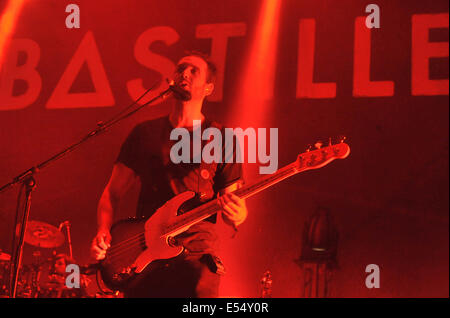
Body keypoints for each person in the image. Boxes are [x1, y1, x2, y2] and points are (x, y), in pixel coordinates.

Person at [91, 52, 248, 297]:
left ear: (209, 88)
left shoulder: (222, 137)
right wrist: (103, 229)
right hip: (144, 255)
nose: (184, 73)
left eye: (194, 70)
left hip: (195, 256)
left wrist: (238, 215)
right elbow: (112, 193)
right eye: (181, 68)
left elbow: (234, 205)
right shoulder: (144, 133)